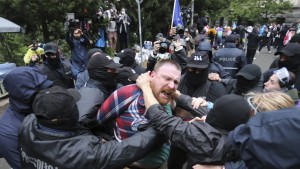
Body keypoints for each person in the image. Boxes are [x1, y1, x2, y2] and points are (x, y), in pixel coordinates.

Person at [18, 86, 165, 169]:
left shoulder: (28, 124)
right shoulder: (83, 152)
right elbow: (132, 147)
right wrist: (163, 124)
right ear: (72, 115)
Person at [136, 72, 252, 169]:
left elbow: (160, 118)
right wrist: (176, 93)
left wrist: (145, 87)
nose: (207, 111)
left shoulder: (201, 136)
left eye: (212, 110)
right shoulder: (242, 138)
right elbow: (198, 108)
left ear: (217, 116)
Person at [98, 59, 183, 168]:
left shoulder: (169, 99)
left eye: (176, 82)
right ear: (152, 75)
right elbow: (100, 119)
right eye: (167, 78)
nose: (172, 86)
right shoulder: (127, 94)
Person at [0, 67, 53, 169]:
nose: (48, 93)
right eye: (41, 91)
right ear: (24, 95)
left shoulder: (38, 108)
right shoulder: (7, 134)